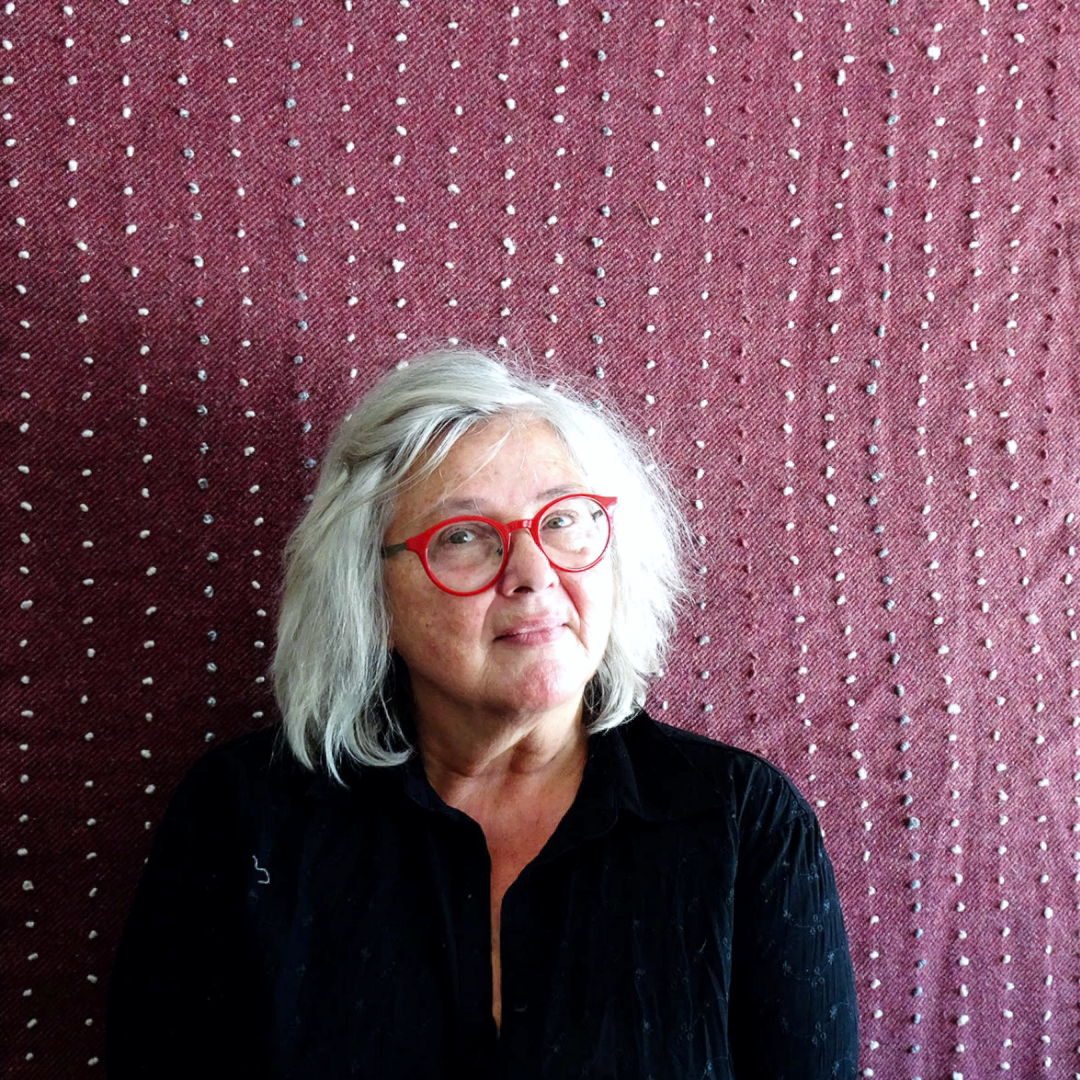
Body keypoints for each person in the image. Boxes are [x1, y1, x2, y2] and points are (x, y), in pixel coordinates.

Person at [106, 347, 859, 1079]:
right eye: (464, 536)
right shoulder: (242, 815)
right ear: (369, 595)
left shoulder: (743, 821)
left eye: (563, 520)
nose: (534, 573)